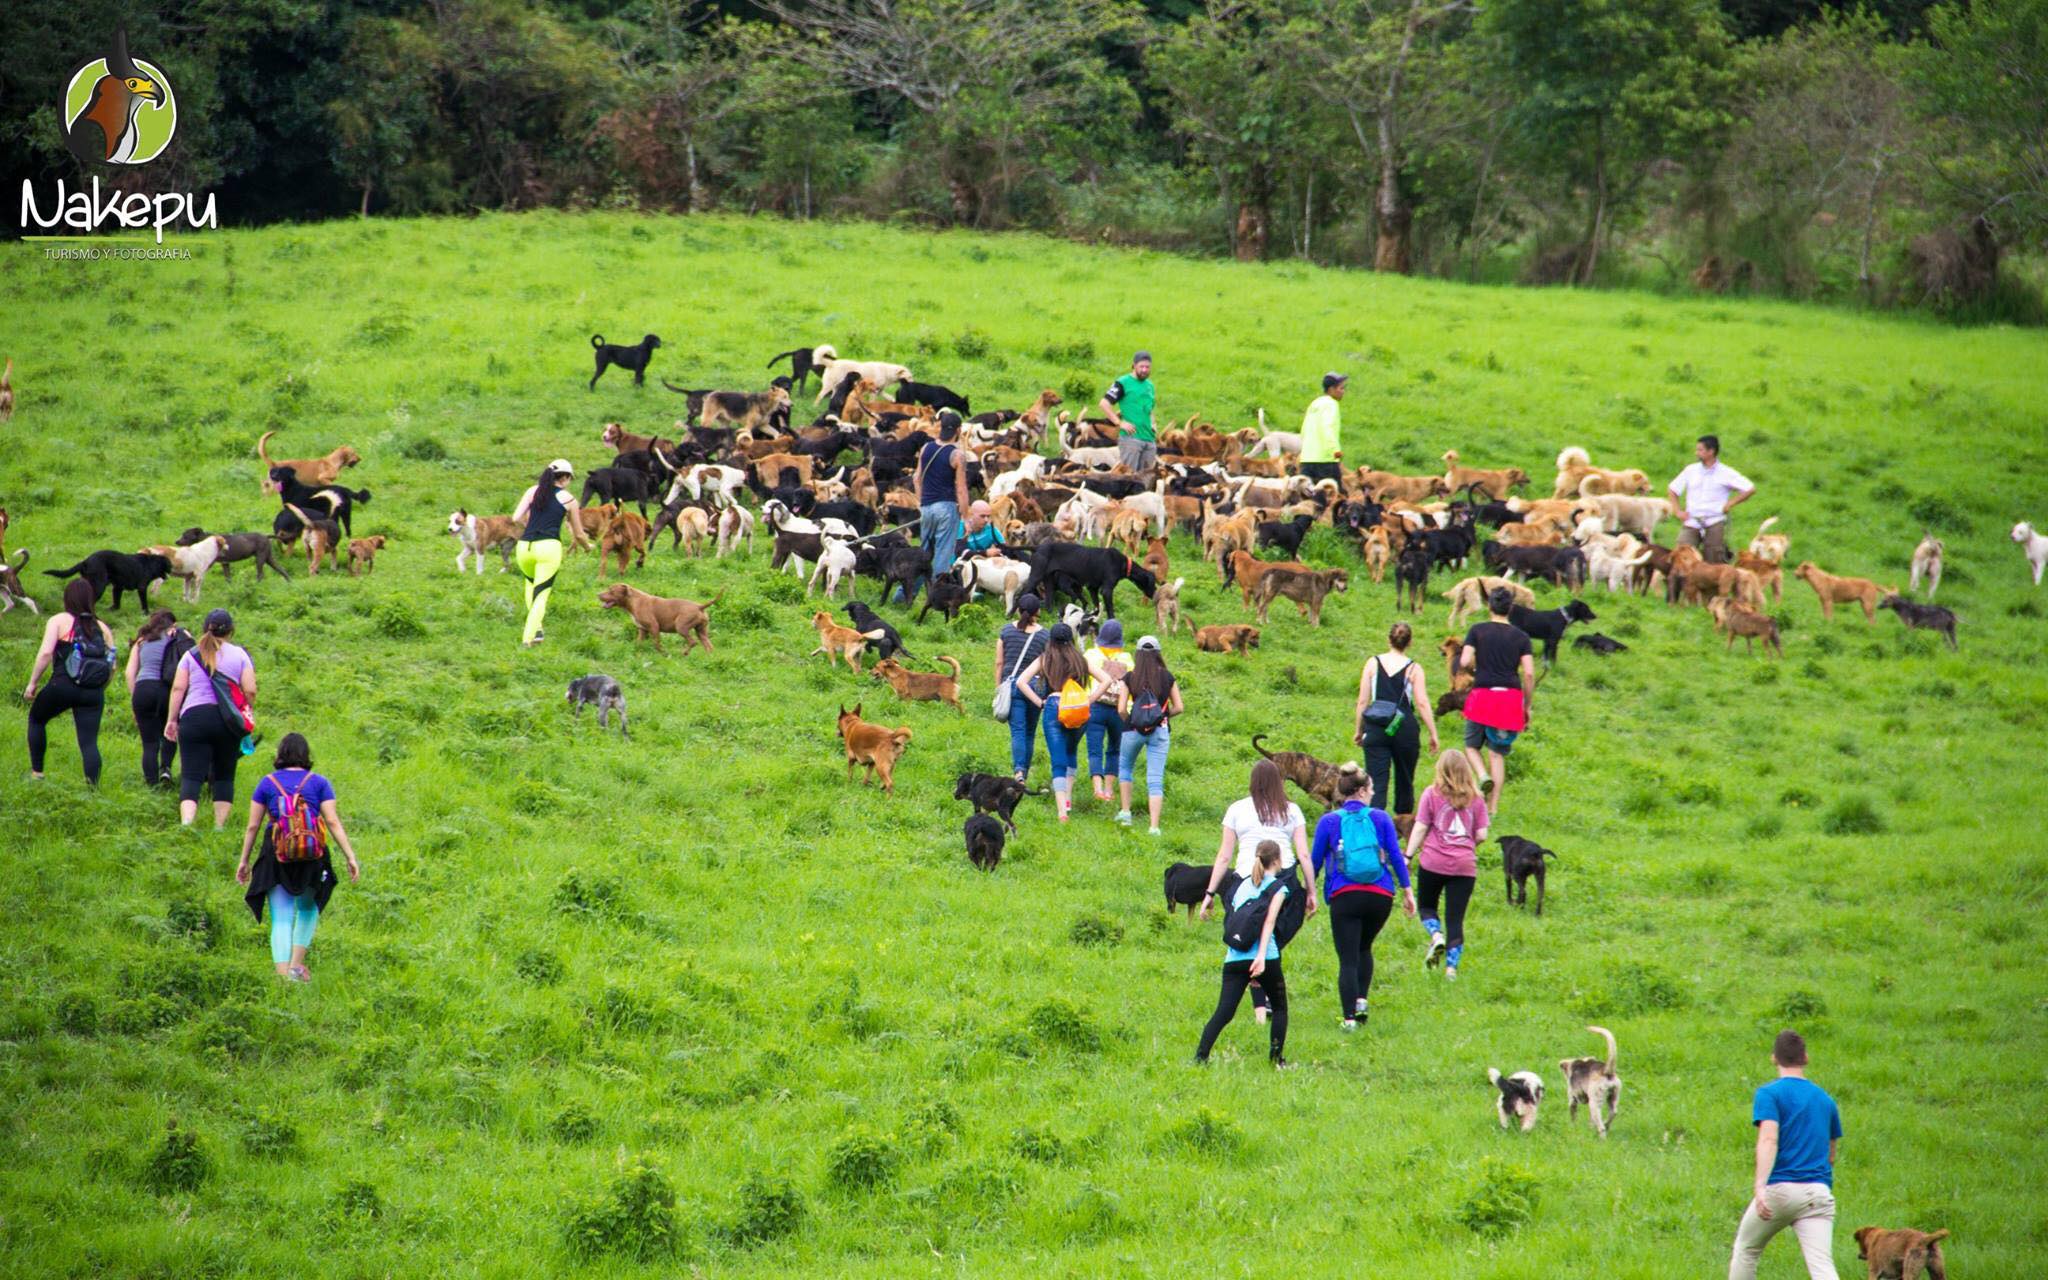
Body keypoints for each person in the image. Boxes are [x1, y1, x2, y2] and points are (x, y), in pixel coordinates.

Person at [235, 733, 361, 982]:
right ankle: (295, 967)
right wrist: (350, 856)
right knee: (307, 908)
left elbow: (252, 826)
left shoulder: (267, 783)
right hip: (312, 857)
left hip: (277, 855)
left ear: (280, 754)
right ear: (306, 755)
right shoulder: (319, 782)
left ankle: (283, 979)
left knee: (281, 917)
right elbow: (332, 821)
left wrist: (245, 860)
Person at [1201, 760, 1318, 1023]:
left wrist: (1209, 894)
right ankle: (1264, 1000)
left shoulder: (1237, 809)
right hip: (1284, 880)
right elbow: (1303, 854)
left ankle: (1259, 1005)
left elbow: (1223, 857)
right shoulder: (1292, 810)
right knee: (1272, 938)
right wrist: (1311, 891)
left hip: (1245, 880)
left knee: (1250, 936)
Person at [1728, 1030, 1843, 1280]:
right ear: (1806, 1058)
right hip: (1819, 1193)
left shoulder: (1770, 1094)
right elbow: (1830, 1155)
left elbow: (1769, 1138)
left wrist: (1760, 1187)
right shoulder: (1826, 1101)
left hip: (1781, 1190)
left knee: (1746, 1250)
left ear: (1773, 1058)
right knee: (1822, 1266)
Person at [1309, 763, 1414, 1030]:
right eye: (1372, 789)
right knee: (1364, 947)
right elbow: (1394, 855)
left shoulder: (1329, 821)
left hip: (1345, 895)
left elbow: (1315, 861)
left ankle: (1348, 1020)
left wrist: (1309, 892)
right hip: (1380, 896)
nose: (1373, 792)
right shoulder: (1380, 818)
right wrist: (1407, 891)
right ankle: (1361, 1003)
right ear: (1363, 791)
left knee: (1348, 959)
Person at [1193, 840, 1293, 1067]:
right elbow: (1268, 923)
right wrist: (1260, 957)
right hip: (1265, 957)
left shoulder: (1240, 886)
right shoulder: (1278, 888)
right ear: (1277, 861)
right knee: (1279, 1008)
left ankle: (1200, 1057)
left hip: (1234, 957)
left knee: (1224, 1012)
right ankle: (1276, 1061)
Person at [164, 608, 257, 828]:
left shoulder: (191, 655)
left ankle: (187, 823)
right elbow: (250, 690)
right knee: (224, 775)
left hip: (194, 717)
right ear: (231, 631)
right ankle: (219, 827)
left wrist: (171, 719)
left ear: (205, 629)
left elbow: (178, 688)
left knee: (191, 776)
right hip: (227, 722)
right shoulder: (240, 655)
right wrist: (246, 709)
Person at [1404, 749, 1489, 982]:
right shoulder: (1477, 798)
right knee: (1455, 919)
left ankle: (1435, 935)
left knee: (1427, 907)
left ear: (1440, 770)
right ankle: (1451, 970)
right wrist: (1468, 846)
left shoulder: (1431, 794)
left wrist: (1408, 855)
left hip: (1433, 861)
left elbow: (1420, 827)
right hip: (1464, 867)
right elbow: (1482, 834)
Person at [22, 579, 116, 785]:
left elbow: (46, 653)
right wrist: (99, 688)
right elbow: (112, 665)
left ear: (67, 598)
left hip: (62, 685)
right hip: (93, 692)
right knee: (89, 742)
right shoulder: (102, 627)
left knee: (37, 720)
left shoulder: (59, 620)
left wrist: (33, 683)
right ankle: (92, 788)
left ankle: (37, 774)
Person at [1354, 621, 1440, 828]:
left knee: (1375, 781)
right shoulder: (1414, 668)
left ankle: (1374, 830)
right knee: (1405, 779)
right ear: (1409, 642)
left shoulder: (1372, 663)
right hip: (1405, 728)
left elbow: (1363, 701)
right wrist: (1433, 733)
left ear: (1388, 639)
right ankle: (1403, 828)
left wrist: (1359, 730)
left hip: (1376, 725)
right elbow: (1421, 702)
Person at [1459, 587, 1534, 813]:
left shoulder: (1477, 630)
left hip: (1483, 694)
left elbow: (1463, 661)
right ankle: (1492, 808)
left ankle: (1482, 776)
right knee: (1497, 753)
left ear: (1489, 605)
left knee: (1471, 746)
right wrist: (1526, 705)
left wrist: (1475, 663)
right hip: (1510, 698)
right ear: (1510, 608)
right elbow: (1529, 673)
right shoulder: (1522, 637)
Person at [511, 459, 594, 647]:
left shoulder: (533, 491)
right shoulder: (569, 499)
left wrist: (532, 526)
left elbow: (516, 518)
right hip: (549, 548)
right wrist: (588, 547)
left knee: (530, 586)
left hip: (525, 547)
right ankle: (528, 639)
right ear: (564, 478)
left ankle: (538, 630)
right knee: (541, 594)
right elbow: (579, 534)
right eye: (570, 478)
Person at [1016, 623, 1089, 822]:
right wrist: (1088, 700)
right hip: (1077, 709)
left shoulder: (1046, 658)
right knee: (1071, 751)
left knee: (1058, 761)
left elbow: (1021, 681)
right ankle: (1068, 800)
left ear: (1051, 640)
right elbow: (1106, 679)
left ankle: (1062, 812)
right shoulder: (1080, 659)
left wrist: (1040, 702)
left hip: (1054, 705)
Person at [1114, 635, 1183, 834]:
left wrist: (1132, 720)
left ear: (1138, 654)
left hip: (1132, 730)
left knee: (1125, 767)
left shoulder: (1130, 676)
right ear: (1158, 654)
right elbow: (1179, 707)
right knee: (1155, 778)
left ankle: (1126, 813)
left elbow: (1120, 709)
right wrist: (1161, 717)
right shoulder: (1167, 677)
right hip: (1160, 730)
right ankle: (1154, 827)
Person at [126, 609, 191, 787]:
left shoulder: (141, 640)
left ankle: (151, 784)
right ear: (172, 624)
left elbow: (129, 673)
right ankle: (166, 769)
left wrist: (135, 700)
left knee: (149, 743)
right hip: (166, 689)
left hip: (142, 689)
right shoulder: (175, 635)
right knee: (170, 731)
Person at [1668, 433, 1755, 565]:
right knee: (1680, 554)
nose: (1696, 453)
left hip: (1714, 520)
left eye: (1700, 450)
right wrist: (1677, 511)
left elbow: (1749, 488)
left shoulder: (1726, 472)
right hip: (1692, 520)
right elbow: (1673, 489)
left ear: (1711, 451)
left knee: (1714, 559)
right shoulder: (1690, 470)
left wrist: (1731, 503)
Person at [914, 411, 971, 597]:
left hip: (927, 507)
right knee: (943, 554)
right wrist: (967, 518)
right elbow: (961, 489)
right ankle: (937, 596)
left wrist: (921, 503)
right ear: (959, 430)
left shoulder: (926, 448)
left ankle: (904, 595)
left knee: (923, 554)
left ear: (939, 427)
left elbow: (916, 478)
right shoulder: (957, 455)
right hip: (946, 508)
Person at [995, 593, 1050, 781]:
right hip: (1036, 686)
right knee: (1029, 732)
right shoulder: (1045, 635)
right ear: (1038, 611)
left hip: (1012, 686)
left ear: (1018, 609)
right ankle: (1024, 771)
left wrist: (999, 687)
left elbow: (999, 663)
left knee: (1018, 731)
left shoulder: (1006, 631)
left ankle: (1018, 772)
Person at [1082, 619, 1130, 805]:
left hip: (1094, 706)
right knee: (1114, 749)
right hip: (1119, 709)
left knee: (1095, 749)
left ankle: (1098, 789)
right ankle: (1110, 791)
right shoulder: (1127, 658)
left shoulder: (1090, 654)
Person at [1099, 350, 1158, 473]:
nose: (1144, 370)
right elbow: (1104, 404)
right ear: (1134, 365)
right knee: (1128, 477)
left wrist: (1153, 424)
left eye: (1147, 367)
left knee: (1147, 478)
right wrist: (1119, 423)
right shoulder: (1123, 382)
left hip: (1149, 439)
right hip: (1131, 439)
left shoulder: (1150, 386)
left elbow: (1150, 409)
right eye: (1141, 366)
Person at [1299, 372, 1346, 485]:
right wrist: (1335, 450)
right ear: (1331, 389)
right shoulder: (1331, 404)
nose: (1343, 391)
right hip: (1325, 459)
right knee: (1334, 497)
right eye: (1341, 388)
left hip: (1307, 458)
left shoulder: (1315, 403)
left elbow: (1303, 431)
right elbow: (1327, 427)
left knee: (1307, 496)